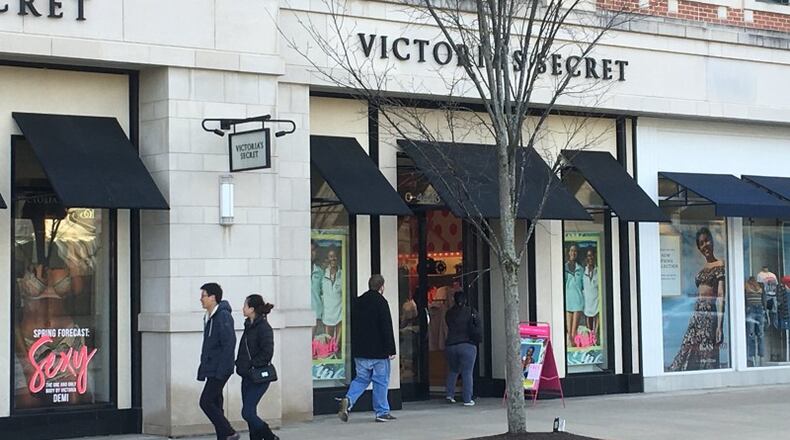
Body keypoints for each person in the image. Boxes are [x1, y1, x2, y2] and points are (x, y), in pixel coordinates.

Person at [337, 274, 397, 423]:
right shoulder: (381, 302)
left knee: (362, 378)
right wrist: (391, 349)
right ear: (381, 287)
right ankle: (382, 412)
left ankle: (348, 400)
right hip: (378, 351)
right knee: (381, 381)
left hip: (360, 351)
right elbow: (386, 327)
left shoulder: (358, 301)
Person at [668, 227, 726, 371]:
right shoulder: (702, 268)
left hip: (709, 314)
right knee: (688, 347)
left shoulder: (720, 265)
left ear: (712, 241)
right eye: (701, 243)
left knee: (706, 350)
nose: (704, 245)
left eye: (707, 241)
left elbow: (720, 296)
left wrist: (719, 326)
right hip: (697, 315)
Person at [197, 283, 239, 440]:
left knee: (206, 402)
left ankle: (229, 432)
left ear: (213, 297)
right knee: (216, 403)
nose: (201, 299)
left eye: (203, 295)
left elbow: (229, 343)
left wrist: (222, 370)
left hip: (219, 369)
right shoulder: (209, 316)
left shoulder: (222, 316)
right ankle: (224, 436)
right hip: (211, 367)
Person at [235, 294, 278, 440]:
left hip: (258, 376)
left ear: (252, 309)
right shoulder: (249, 326)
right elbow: (244, 350)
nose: (243, 308)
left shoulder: (264, 328)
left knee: (247, 413)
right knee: (250, 413)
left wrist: (250, 365)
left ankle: (270, 437)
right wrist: (240, 365)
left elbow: (267, 353)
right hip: (247, 376)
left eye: (245, 305)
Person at [444, 290, 479, 406]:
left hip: (451, 345)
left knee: (453, 370)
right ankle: (467, 399)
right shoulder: (471, 312)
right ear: (465, 300)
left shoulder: (449, 313)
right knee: (467, 372)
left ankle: (449, 394)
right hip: (467, 344)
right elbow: (477, 326)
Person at [564, 244, 584, 347]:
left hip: (578, 302)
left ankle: (574, 352)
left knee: (573, 332)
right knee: (569, 334)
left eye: (575, 251)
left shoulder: (580, 269)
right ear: (569, 252)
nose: (573, 253)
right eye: (572, 250)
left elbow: (584, 286)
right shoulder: (564, 268)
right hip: (568, 302)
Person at [582, 248, 599, 337]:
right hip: (587, 303)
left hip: (596, 302)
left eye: (592, 255)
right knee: (589, 331)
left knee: (595, 332)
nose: (590, 258)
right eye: (588, 256)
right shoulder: (583, 271)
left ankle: (595, 337)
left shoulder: (598, 271)